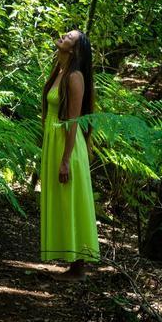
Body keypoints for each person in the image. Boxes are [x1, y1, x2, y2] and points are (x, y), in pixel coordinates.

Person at [39, 28, 100, 279]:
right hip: (54, 141)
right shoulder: (60, 71)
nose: (63, 36)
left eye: (69, 38)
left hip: (68, 145)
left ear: (74, 50)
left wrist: (65, 160)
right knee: (62, 199)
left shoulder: (75, 76)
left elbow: (73, 121)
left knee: (72, 200)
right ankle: (72, 263)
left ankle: (78, 268)